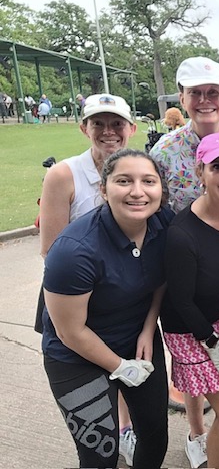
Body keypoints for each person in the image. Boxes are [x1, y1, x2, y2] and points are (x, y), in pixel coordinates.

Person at [41, 149, 172, 468]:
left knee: (155, 436)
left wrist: (147, 328)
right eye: (124, 181)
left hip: (137, 342)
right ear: (104, 188)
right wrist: (120, 366)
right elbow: (68, 331)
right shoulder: (74, 251)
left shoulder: (163, 222)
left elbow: (161, 279)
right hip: (75, 358)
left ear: (160, 189)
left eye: (148, 181)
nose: (137, 191)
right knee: (100, 454)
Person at [37, 93, 139, 465]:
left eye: (117, 124)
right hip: (79, 300)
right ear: (84, 128)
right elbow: (52, 249)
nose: (108, 132)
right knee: (96, 396)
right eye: (99, 123)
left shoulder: (140, 169)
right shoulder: (64, 174)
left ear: (132, 128)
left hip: (127, 300)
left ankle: (125, 429)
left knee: (127, 376)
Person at [149, 55, 219, 468]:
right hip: (182, 265)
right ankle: (198, 432)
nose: (205, 101)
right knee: (196, 358)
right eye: (195, 93)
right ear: (182, 98)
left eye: (212, 93)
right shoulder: (166, 151)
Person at [161, 133, 219, 468]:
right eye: (218, 167)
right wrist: (213, 343)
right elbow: (182, 302)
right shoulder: (183, 233)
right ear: (201, 172)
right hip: (189, 330)